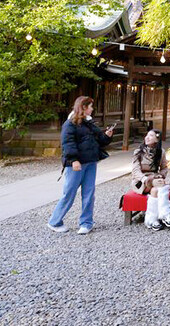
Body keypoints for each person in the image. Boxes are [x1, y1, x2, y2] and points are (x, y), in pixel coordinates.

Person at [48, 96, 113, 235]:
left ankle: (86, 223)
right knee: (69, 193)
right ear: (83, 107)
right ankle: (54, 221)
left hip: (91, 162)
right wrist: (73, 160)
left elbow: (100, 140)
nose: (92, 109)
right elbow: (67, 143)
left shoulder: (89, 123)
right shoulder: (69, 124)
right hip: (76, 165)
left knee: (89, 193)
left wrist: (107, 135)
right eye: (90, 106)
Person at [131, 129, 170, 231]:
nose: (147, 137)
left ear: (157, 139)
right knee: (160, 185)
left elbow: (164, 168)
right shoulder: (138, 152)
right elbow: (135, 171)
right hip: (140, 181)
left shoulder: (161, 152)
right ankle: (165, 213)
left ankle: (152, 219)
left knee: (156, 189)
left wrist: (160, 176)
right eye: (147, 135)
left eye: (150, 136)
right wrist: (146, 179)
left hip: (155, 178)